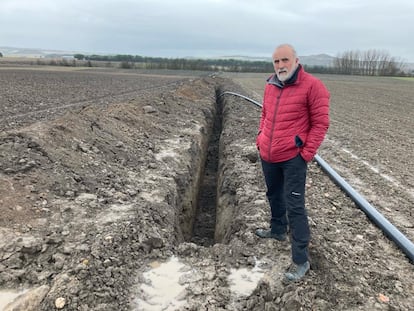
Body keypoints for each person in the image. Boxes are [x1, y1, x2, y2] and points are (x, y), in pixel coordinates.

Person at [255, 44, 330, 282]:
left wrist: (305, 153)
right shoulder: (270, 84)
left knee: (295, 206)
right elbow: (265, 114)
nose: (280, 66)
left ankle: (301, 259)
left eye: (284, 60)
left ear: (296, 60)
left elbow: (321, 123)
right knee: (273, 194)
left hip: (292, 158)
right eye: (276, 62)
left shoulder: (312, 86)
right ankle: (277, 230)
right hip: (268, 154)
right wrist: (261, 138)